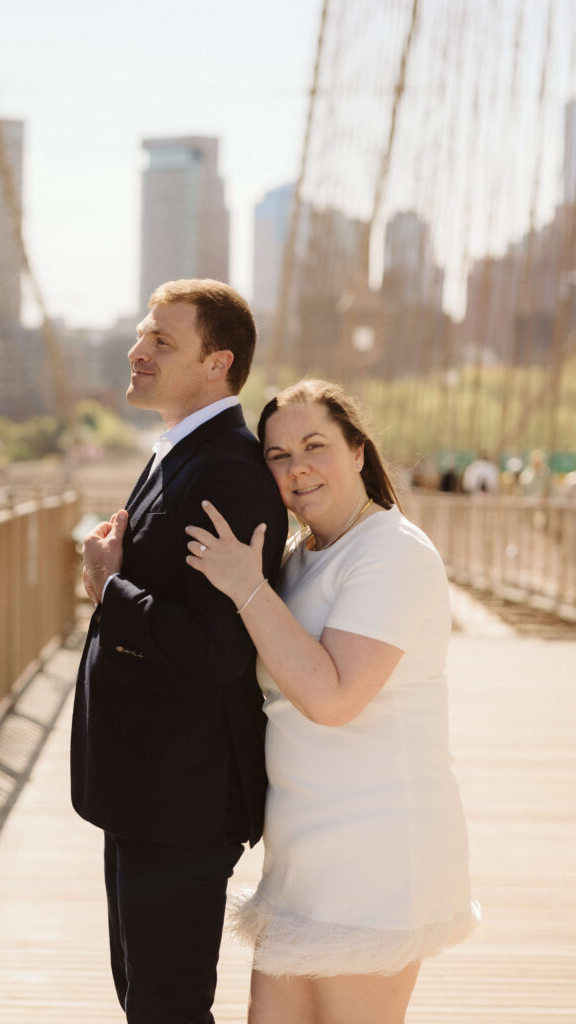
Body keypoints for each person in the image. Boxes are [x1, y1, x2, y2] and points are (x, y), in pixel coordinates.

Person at [185, 379, 478, 1024]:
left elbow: (336, 696)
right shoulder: (298, 557)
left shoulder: (392, 553)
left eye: (315, 445)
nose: (297, 468)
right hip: (302, 857)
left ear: (358, 453)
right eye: (278, 455)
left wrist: (244, 586)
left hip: (376, 855)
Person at [70, 279, 289, 1024]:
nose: (138, 351)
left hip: (182, 795)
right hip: (149, 789)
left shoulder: (225, 469)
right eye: (141, 335)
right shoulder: (181, 453)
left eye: (163, 342)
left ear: (216, 363)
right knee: (144, 994)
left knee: (166, 1006)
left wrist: (109, 589)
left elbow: (218, 645)